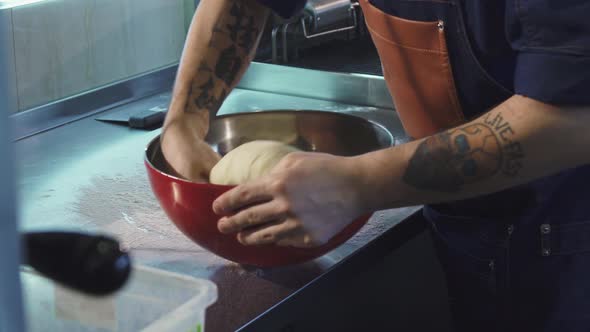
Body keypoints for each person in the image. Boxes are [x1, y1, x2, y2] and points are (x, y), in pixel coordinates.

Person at [161, 0, 590, 330]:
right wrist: (185, 117)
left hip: (566, 234)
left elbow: (573, 118)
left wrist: (359, 183)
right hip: (464, 216)